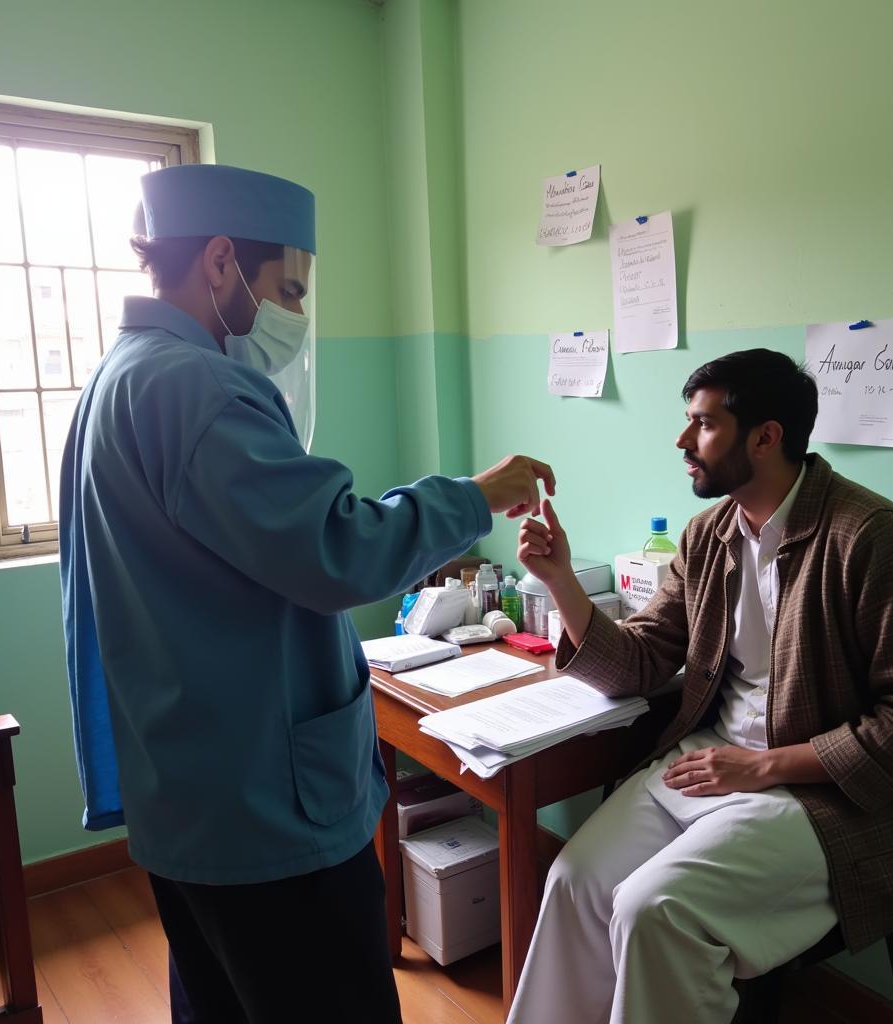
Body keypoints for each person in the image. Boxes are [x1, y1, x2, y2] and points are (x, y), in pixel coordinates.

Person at [59, 163, 554, 1023]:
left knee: (221, 1001)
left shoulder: (117, 380)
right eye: (286, 288)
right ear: (218, 263)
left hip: (189, 788)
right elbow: (337, 551)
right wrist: (474, 494)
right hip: (264, 808)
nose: (292, 316)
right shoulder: (199, 389)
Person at [509, 348, 893, 1024]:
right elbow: (639, 663)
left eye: (704, 425)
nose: (682, 441)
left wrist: (764, 765)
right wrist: (561, 581)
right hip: (712, 766)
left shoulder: (867, 535)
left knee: (653, 910)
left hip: (819, 790)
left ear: (766, 436)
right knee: (575, 879)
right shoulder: (710, 535)